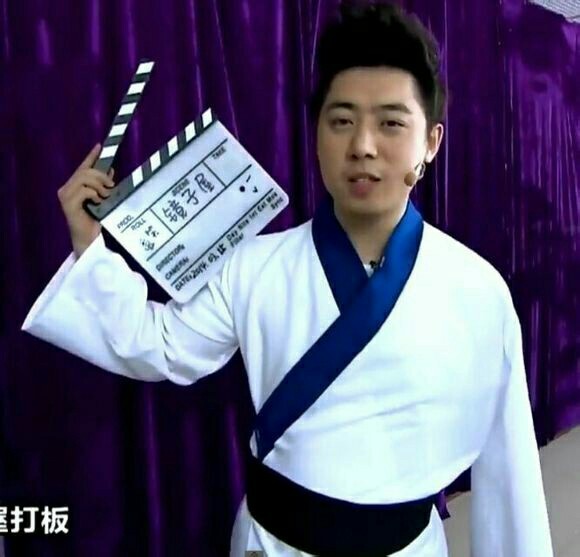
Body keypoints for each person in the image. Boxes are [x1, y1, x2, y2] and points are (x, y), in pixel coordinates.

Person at [22, 2, 553, 556]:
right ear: (316, 134)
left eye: (391, 123)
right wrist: (92, 246)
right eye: (341, 120)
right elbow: (158, 344)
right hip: (269, 543)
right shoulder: (253, 265)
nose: (363, 145)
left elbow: (507, 461)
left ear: (431, 142)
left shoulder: (478, 291)